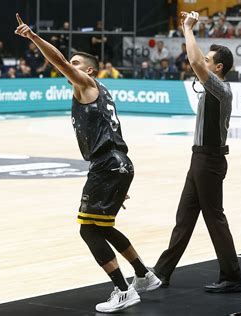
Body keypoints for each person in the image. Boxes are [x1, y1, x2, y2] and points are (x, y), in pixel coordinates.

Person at [14, 13, 161, 313]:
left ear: (89, 70)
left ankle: (123, 289)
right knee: (103, 226)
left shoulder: (88, 84)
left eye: (76, 64)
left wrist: (33, 37)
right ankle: (144, 275)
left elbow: (61, 63)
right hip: (117, 163)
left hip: (108, 163)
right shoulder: (100, 92)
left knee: (88, 230)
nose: (70, 68)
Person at [151, 11, 241, 294]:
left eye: (208, 60)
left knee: (214, 218)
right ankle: (162, 272)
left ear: (218, 68)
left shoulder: (219, 88)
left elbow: (194, 59)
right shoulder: (214, 84)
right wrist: (187, 29)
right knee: (185, 217)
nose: (202, 62)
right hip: (200, 158)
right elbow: (199, 58)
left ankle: (232, 276)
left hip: (209, 160)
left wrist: (188, 28)